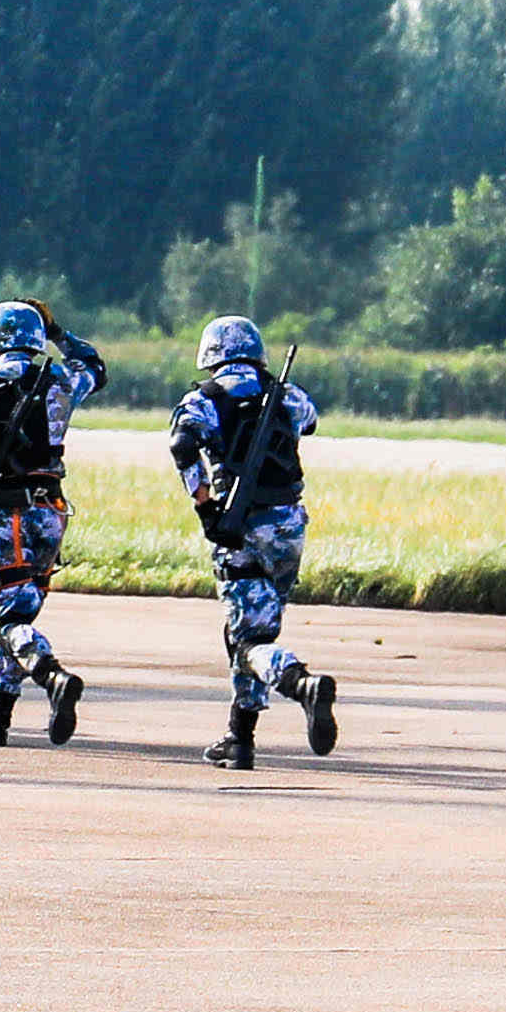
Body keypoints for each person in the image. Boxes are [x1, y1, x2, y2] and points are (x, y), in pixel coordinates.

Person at [0, 297, 107, 747]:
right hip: (51, 512)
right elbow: (96, 366)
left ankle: (53, 678)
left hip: (5, 513)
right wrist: (59, 333)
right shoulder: (63, 380)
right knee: (20, 617)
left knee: (9, 621)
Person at [172, 313, 339, 771]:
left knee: (249, 643)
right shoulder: (286, 395)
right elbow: (310, 421)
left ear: (210, 355)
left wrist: (205, 506)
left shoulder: (204, 400)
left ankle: (299, 681)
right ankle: (239, 738)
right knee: (254, 631)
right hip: (289, 525)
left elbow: (183, 446)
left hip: (239, 526)